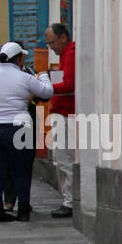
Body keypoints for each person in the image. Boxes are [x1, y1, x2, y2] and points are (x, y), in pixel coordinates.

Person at [0, 42, 53, 223]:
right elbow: (47, 92)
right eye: (23, 57)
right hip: (19, 129)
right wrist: (44, 76)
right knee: (22, 171)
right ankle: (23, 211)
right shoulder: (24, 78)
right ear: (18, 58)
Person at [45, 23, 76, 218]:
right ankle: (68, 199)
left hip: (66, 113)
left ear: (63, 37)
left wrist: (48, 87)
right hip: (61, 112)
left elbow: (70, 83)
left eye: (53, 43)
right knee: (60, 158)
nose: (51, 48)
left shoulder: (70, 54)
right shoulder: (65, 55)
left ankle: (69, 201)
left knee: (64, 159)